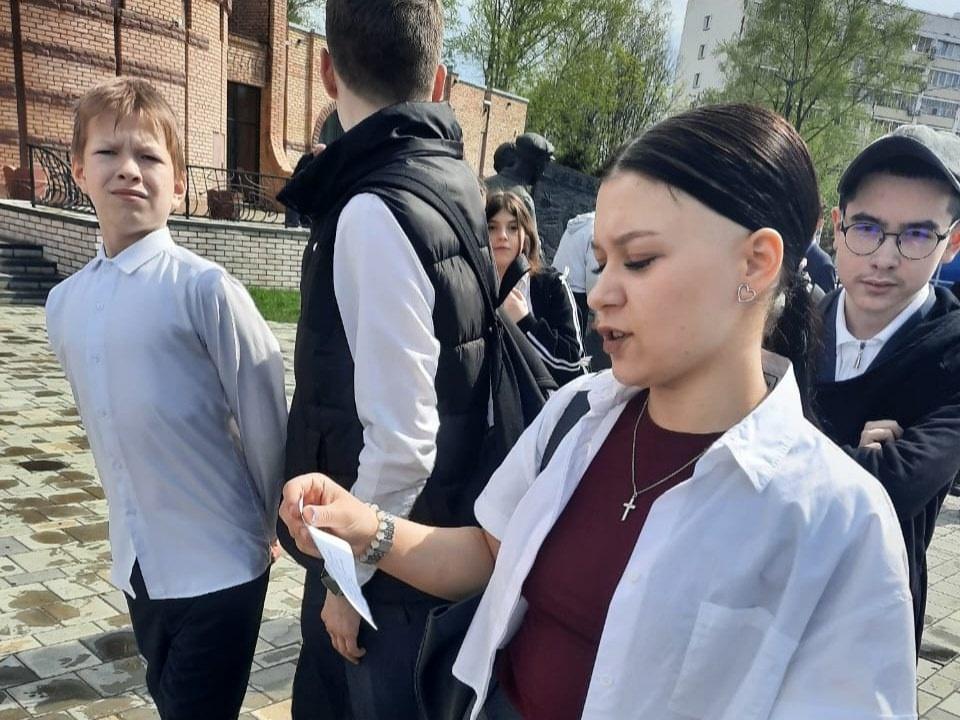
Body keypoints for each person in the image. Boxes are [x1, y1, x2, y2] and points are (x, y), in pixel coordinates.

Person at [281, 104, 917, 719]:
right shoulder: (579, 414)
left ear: (756, 262)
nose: (602, 293)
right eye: (602, 262)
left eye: (639, 261)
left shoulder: (838, 522)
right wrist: (365, 527)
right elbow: (487, 554)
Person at [274, 1, 495, 718]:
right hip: (423, 543)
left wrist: (349, 580)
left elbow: (403, 441)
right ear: (439, 82)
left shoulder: (374, 208)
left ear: (326, 71)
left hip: (385, 577)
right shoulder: (449, 179)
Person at [44, 77, 287, 720]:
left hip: (221, 562)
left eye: (149, 157)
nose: (128, 169)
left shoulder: (205, 290)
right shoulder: (64, 304)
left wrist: (271, 523)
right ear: (79, 170)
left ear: (178, 183)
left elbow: (265, 417)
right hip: (139, 563)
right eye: (108, 152)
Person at [813, 123, 960, 652]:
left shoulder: (952, 353)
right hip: (757, 596)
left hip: (868, 626)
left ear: (952, 243)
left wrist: (781, 441)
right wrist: (854, 455)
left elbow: (891, 489)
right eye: (867, 227)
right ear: (837, 227)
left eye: (917, 235)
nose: (884, 256)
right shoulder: (786, 327)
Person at [488, 190, 585, 386]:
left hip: (544, 401)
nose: (502, 236)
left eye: (513, 228)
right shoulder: (473, 286)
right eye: (492, 227)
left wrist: (525, 322)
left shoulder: (552, 285)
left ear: (526, 235)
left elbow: (573, 363)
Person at [551, 211, 612, 371]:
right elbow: (594, 274)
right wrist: (599, 311)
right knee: (576, 338)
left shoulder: (581, 225)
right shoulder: (596, 231)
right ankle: (578, 369)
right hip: (575, 293)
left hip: (558, 281)